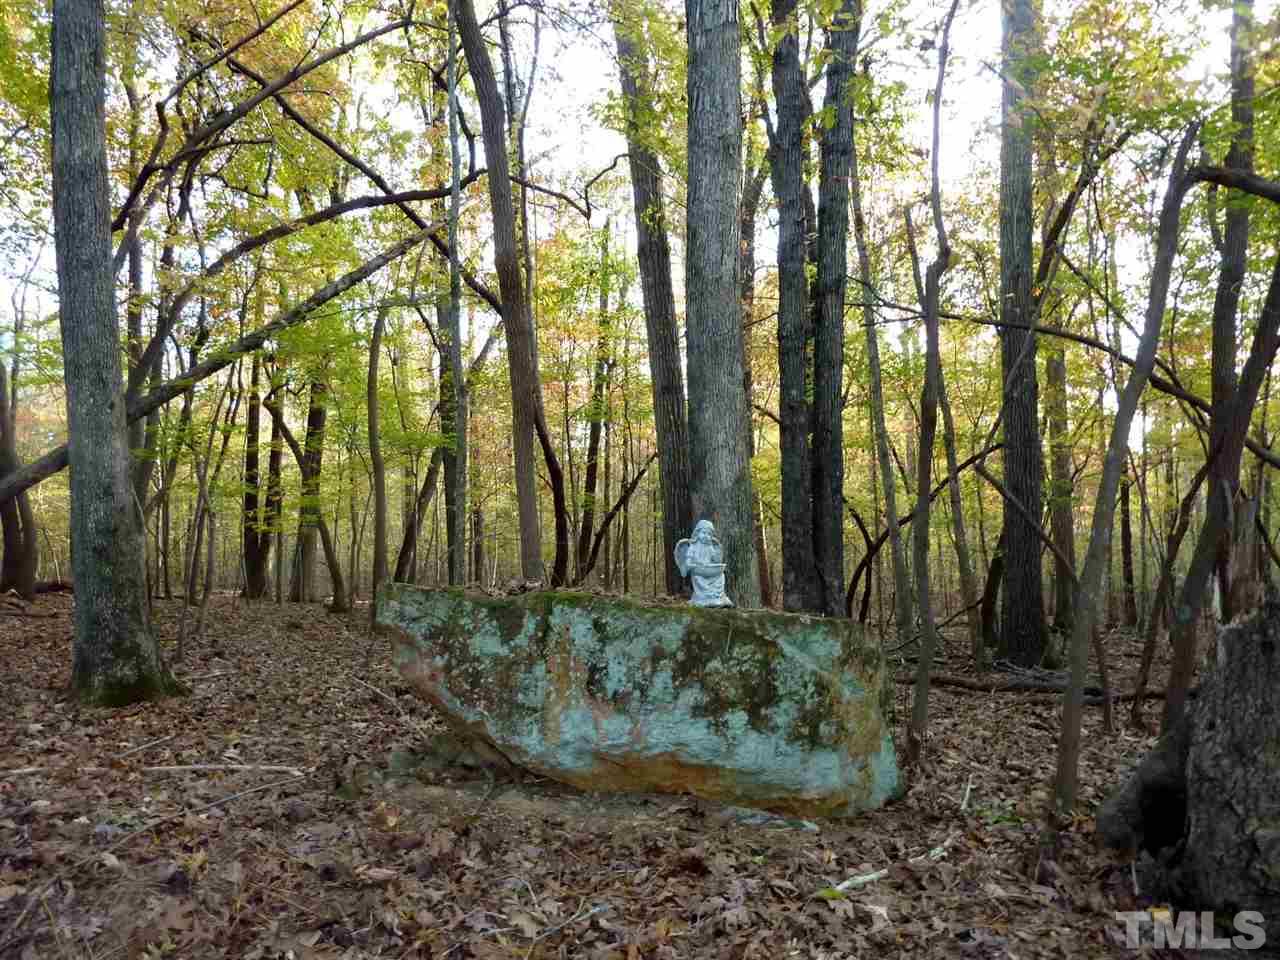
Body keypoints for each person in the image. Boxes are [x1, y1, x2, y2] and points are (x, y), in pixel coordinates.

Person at [675, 520, 732, 607]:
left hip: (708, 569)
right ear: (697, 533)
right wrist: (690, 564)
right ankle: (702, 598)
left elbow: (715, 560)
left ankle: (717, 596)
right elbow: (688, 561)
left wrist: (717, 553)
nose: (706, 536)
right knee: (698, 577)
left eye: (709, 534)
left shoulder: (710, 547)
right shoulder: (693, 547)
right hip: (699, 571)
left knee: (721, 576)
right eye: (704, 533)